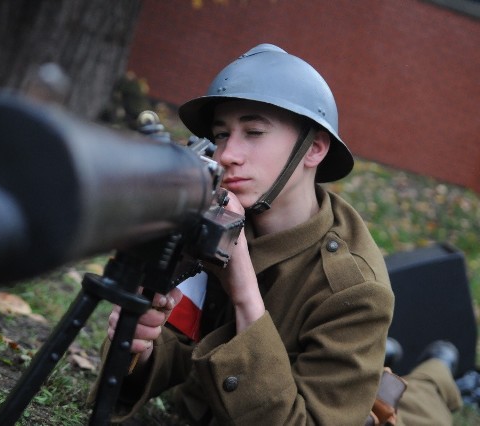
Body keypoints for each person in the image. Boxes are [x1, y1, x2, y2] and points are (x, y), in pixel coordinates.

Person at [91, 44, 463, 425]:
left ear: (313, 149)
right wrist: (140, 346)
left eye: (253, 132)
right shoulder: (212, 220)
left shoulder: (355, 289)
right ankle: (385, 359)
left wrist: (242, 287)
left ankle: (439, 369)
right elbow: (176, 341)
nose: (227, 154)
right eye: (221, 134)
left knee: (417, 404)